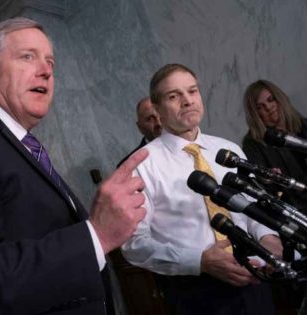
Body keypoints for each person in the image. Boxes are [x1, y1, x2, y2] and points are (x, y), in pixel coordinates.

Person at [0, 17, 148, 315]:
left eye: (50, 62)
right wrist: (96, 235)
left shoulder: (26, 149)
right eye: (27, 56)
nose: (46, 70)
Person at [121, 63, 282, 314]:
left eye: (192, 91)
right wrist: (200, 261)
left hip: (254, 277)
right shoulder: (141, 166)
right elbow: (133, 244)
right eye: (174, 96)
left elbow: (253, 208)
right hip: (197, 292)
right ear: (158, 109)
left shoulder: (229, 151)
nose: (187, 101)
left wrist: (269, 239)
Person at [242, 79, 307, 212]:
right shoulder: (253, 144)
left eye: (271, 100)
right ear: (255, 115)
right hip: (294, 213)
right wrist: (266, 180)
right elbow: (257, 188)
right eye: (260, 107)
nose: (268, 108)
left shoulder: (304, 125)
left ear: (280, 99)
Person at [117, 97, 162, 167]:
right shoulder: (128, 165)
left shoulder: (184, 144)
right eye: (150, 119)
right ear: (140, 127)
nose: (159, 123)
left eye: (161, 115)